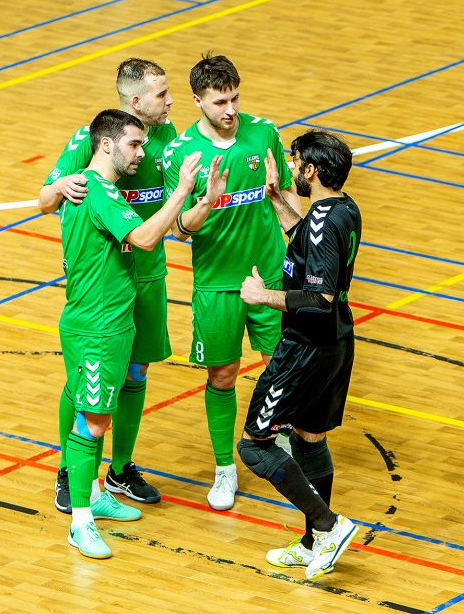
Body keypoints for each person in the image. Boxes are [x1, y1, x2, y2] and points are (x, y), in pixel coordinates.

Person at [57, 108, 206, 558]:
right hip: (96, 327)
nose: (142, 153)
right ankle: (80, 521)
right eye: (134, 145)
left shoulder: (101, 189)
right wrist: (181, 192)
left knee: (105, 408)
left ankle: (97, 491)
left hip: (114, 322)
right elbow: (143, 239)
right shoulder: (97, 191)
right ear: (106, 145)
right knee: (95, 420)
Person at [40, 59, 177, 513]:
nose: (169, 101)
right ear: (134, 101)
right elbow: (43, 201)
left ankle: (120, 471)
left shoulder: (169, 137)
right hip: (105, 283)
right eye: (161, 94)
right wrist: (60, 184)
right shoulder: (95, 139)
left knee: (136, 373)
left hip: (147, 276)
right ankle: (70, 472)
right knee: (85, 385)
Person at [164, 53, 299, 511]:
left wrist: (281, 195)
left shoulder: (264, 132)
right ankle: (225, 469)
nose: (230, 109)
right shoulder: (181, 155)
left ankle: (277, 440)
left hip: (270, 276)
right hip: (217, 284)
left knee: (279, 366)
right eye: (220, 100)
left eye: (235, 98)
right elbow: (179, 229)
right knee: (222, 376)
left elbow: (282, 197)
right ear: (197, 100)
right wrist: (206, 203)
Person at [237, 129, 362, 580]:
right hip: (335, 343)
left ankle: (329, 526)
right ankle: (313, 543)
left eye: (294, 163)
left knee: (254, 445)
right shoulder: (340, 209)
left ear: (311, 170)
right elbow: (304, 236)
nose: (291, 169)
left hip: (305, 348)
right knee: (310, 437)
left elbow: (319, 297)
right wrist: (275, 197)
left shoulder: (326, 221)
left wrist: (262, 295)